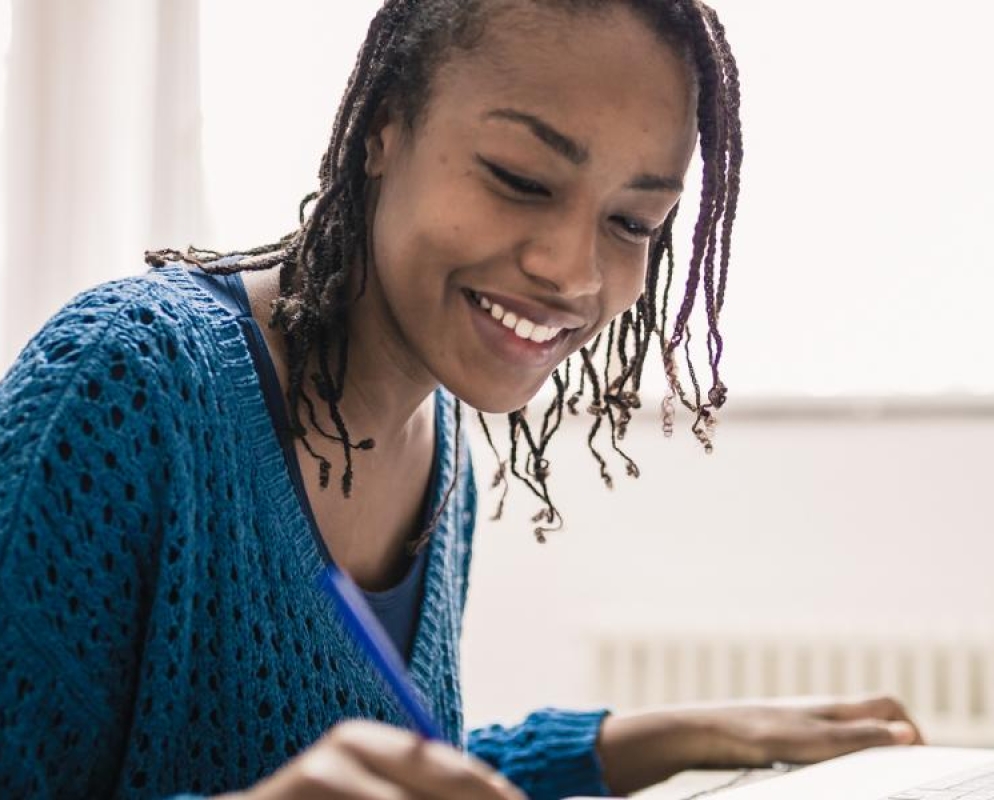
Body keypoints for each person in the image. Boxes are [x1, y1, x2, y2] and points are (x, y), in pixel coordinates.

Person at [0, 2, 922, 798]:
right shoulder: (124, 387)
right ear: (384, 127)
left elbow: (389, 774)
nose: (571, 270)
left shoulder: (440, 449)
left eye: (633, 222)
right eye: (520, 180)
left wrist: (692, 734)